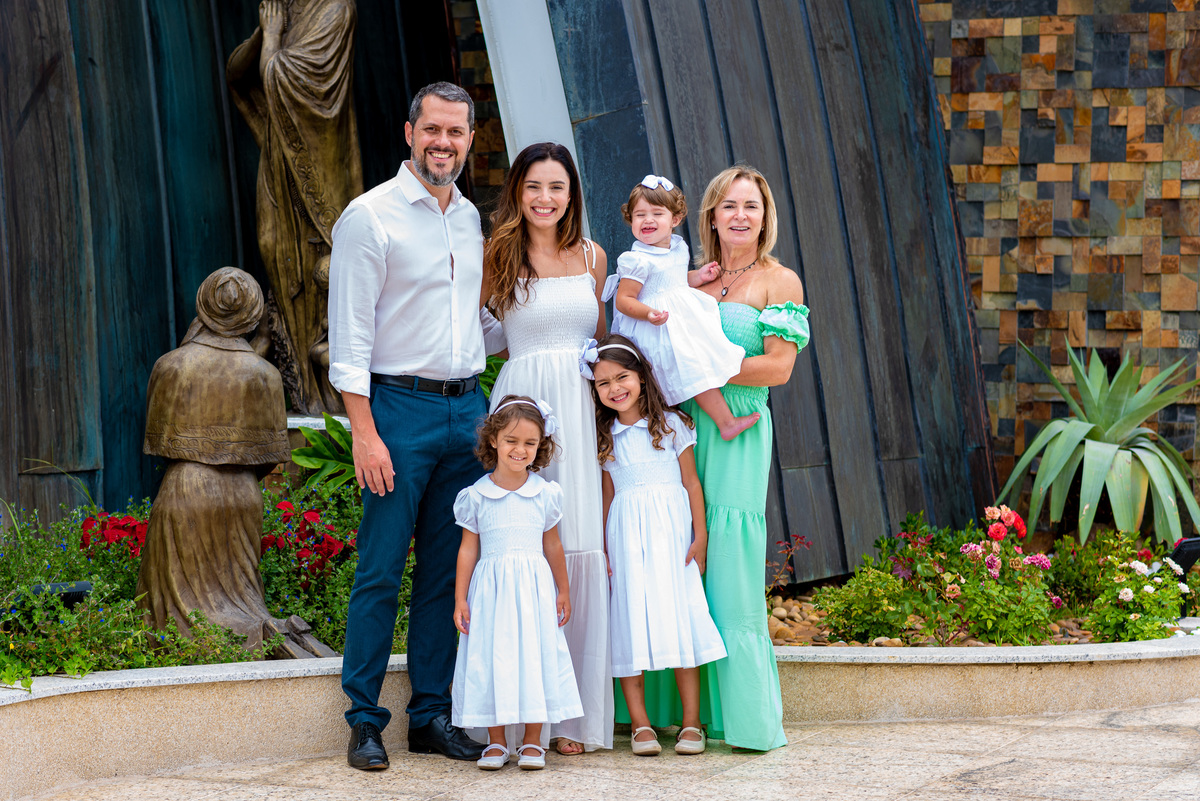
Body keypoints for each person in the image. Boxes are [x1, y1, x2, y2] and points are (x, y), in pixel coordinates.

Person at [328, 81, 490, 770]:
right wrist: (365, 432)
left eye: (456, 132)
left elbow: (477, 320)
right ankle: (364, 717)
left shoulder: (471, 218)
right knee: (381, 568)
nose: (443, 143)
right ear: (409, 132)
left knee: (444, 574)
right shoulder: (370, 217)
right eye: (433, 130)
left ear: (470, 140)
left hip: (468, 409)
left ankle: (430, 714)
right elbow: (350, 337)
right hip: (397, 410)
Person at [628, 165, 809, 752]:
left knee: (727, 561)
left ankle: (745, 718)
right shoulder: (688, 283)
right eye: (728, 205)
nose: (739, 216)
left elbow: (779, 367)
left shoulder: (780, 282)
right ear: (709, 216)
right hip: (678, 430)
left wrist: (704, 367)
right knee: (674, 556)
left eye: (750, 206)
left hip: (738, 430)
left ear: (765, 216)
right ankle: (677, 715)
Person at [483, 142, 612, 754]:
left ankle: (574, 720)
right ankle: (520, 716)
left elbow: (608, 343)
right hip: (524, 410)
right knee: (522, 549)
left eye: (556, 187)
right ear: (517, 191)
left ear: (571, 195)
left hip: (583, 415)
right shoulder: (499, 255)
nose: (544, 198)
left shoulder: (592, 256)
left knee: (580, 544)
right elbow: (471, 330)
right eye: (533, 186)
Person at [580, 334, 726, 756]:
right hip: (625, 536)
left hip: (672, 534)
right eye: (602, 383)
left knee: (682, 620)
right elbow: (608, 497)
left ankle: (691, 722)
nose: (614, 389)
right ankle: (641, 724)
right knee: (629, 620)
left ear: (641, 376)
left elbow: (691, 483)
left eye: (621, 377)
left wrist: (700, 536)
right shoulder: (604, 435)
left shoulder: (673, 424)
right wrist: (605, 547)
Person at [227, 0, 363, 414]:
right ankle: (302, 387)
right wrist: (263, 35)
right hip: (276, 167)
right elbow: (239, 74)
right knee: (274, 249)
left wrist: (270, 38)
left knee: (321, 272)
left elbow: (285, 79)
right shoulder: (283, 10)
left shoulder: (336, 9)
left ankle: (331, 393)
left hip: (318, 174)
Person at [450, 396, 583, 771]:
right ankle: (495, 742)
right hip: (490, 592)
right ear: (493, 440)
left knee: (534, 655)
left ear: (540, 445)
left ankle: (531, 741)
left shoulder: (545, 494)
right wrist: (461, 599)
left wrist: (564, 590)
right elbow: (466, 551)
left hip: (534, 590)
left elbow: (553, 545)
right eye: (511, 440)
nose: (520, 449)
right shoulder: (475, 495)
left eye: (529, 442)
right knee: (494, 658)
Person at [602, 176, 757, 440]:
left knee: (695, 368)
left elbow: (672, 281)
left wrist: (698, 277)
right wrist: (648, 314)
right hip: (652, 329)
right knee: (669, 378)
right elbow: (624, 300)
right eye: (640, 215)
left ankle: (722, 423)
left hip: (676, 322)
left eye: (657, 213)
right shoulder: (636, 260)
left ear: (674, 220)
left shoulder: (677, 246)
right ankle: (674, 433)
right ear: (631, 220)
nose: (647, 220)